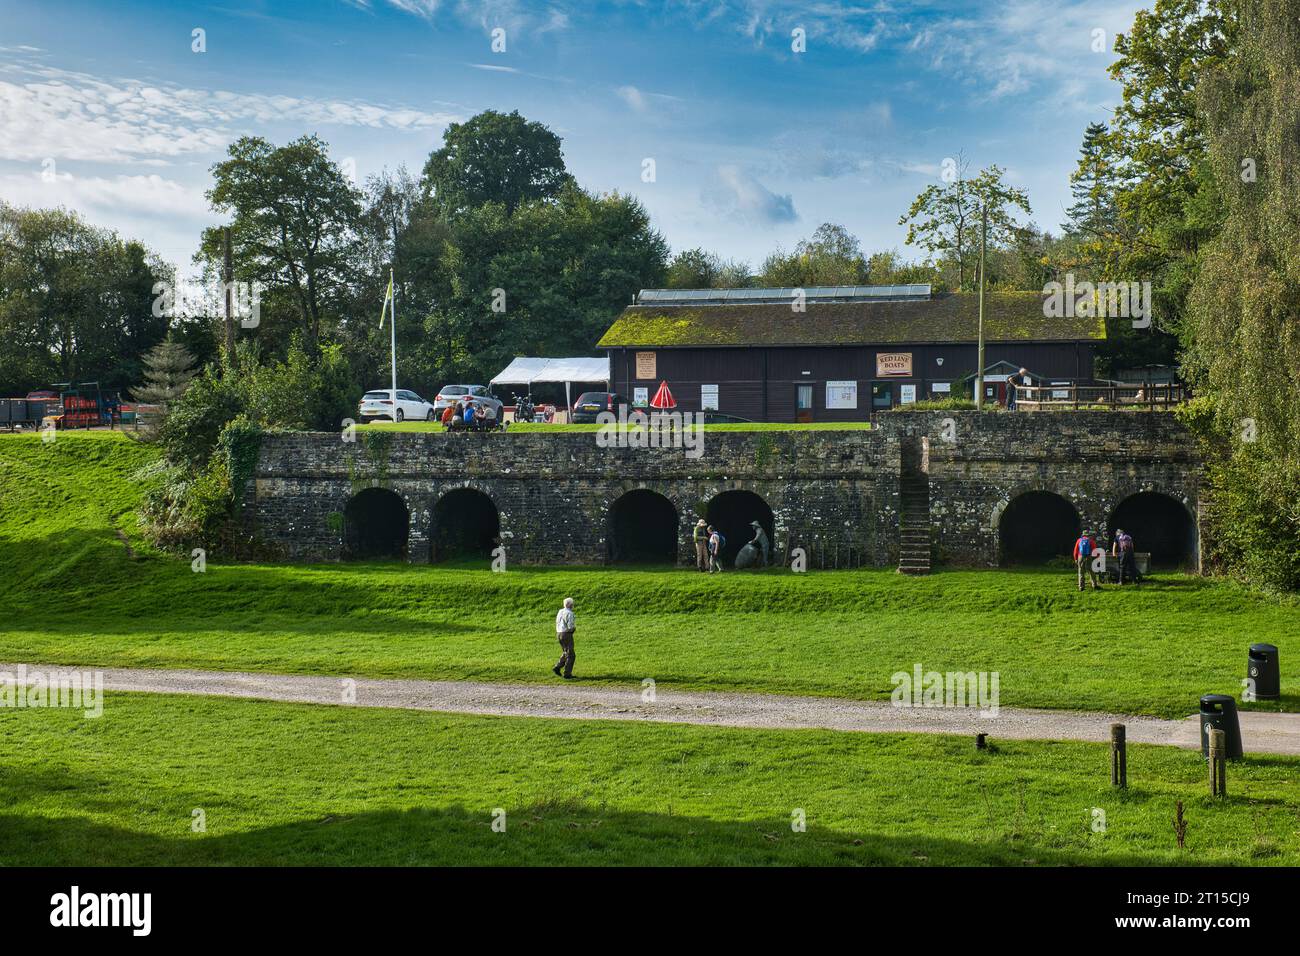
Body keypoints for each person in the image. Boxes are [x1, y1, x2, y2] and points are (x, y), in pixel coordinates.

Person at [553, 597, 576, 679]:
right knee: (571, 655)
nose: (573, 605)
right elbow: (570, 626)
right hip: (566, 634)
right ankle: (567, 674)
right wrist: (573, 629)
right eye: (572, 604)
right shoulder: (570, 613)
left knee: (566, 652)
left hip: (559, 633)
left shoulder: (560, 611)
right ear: (570, 604)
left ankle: (557, 667)